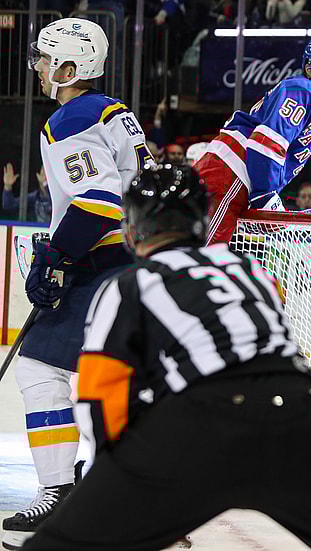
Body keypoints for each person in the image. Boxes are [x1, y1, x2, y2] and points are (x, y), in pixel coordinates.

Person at [21, 164, 311, 551]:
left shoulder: (127, 286)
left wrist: (121, 485)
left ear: (133, 228)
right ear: (200, 220)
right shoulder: (251, 271)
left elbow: (100, 404)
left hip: (203, 425)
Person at [2, 17, 149, 551]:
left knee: (42, 367)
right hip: (136, 261)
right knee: (113, 379)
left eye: (44, 59)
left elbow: (97, 203)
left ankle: (63, 490)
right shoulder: (113, 112)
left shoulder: (70, 119)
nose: (38, 68)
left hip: (104, 262)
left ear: (68, 66)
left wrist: (56, 259)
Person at [197, 36, 311, 245]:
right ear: (310, 67)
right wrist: (264, 194)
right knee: (200, 255)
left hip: (236, 175)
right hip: (233, 173)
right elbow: (266, 141)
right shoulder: (305, 90)